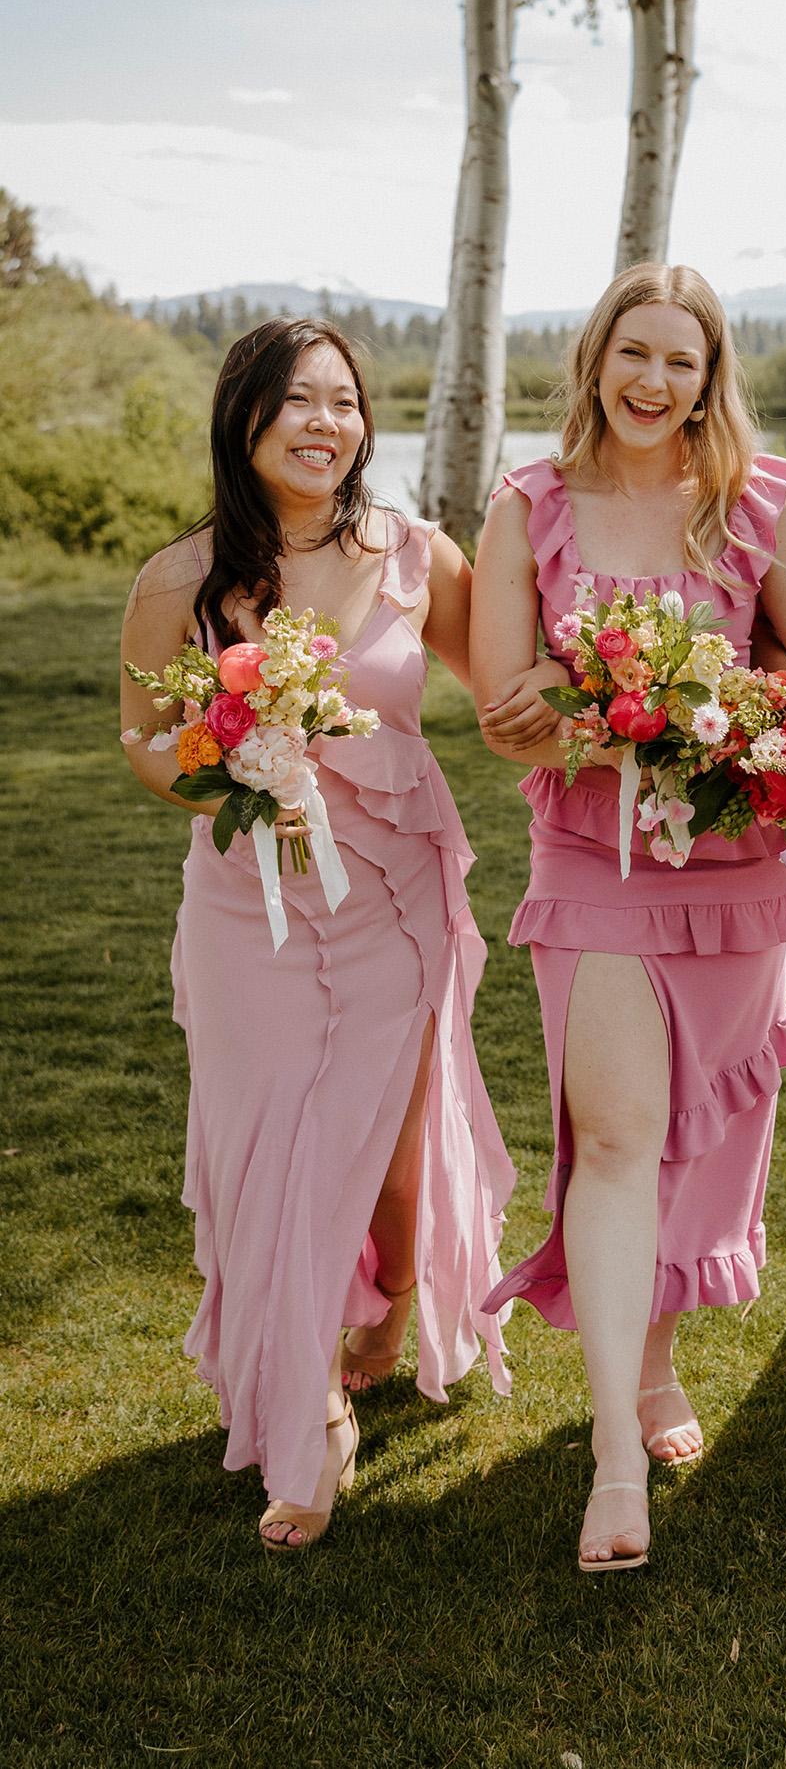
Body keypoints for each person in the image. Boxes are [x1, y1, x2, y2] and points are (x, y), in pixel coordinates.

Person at [120, 318, 512, 1551]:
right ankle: (311, 1412)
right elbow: (140, 738)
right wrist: (230, 763)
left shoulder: (420, 555)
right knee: (269, 1151)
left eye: (344, 399)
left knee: (387, 1150)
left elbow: (505, 689)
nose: (324, 422)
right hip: (251, 908)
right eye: (295, 400)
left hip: (395, 895)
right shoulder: (179, 579)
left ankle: (390, 1303)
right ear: (244, 419)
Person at [470, 262, 786, 1575]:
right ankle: (614, 1450)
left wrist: (722, 719)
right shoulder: (531, 505)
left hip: (734, 868)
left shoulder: (761, 502)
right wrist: (605, 721)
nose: (654, 381)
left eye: (682, 360)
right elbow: (502, 698)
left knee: (701, 1138)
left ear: (711, 372)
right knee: (618, 1135)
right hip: (592, 865)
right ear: (597, 357)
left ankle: (657, 1359)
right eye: (635, 352)